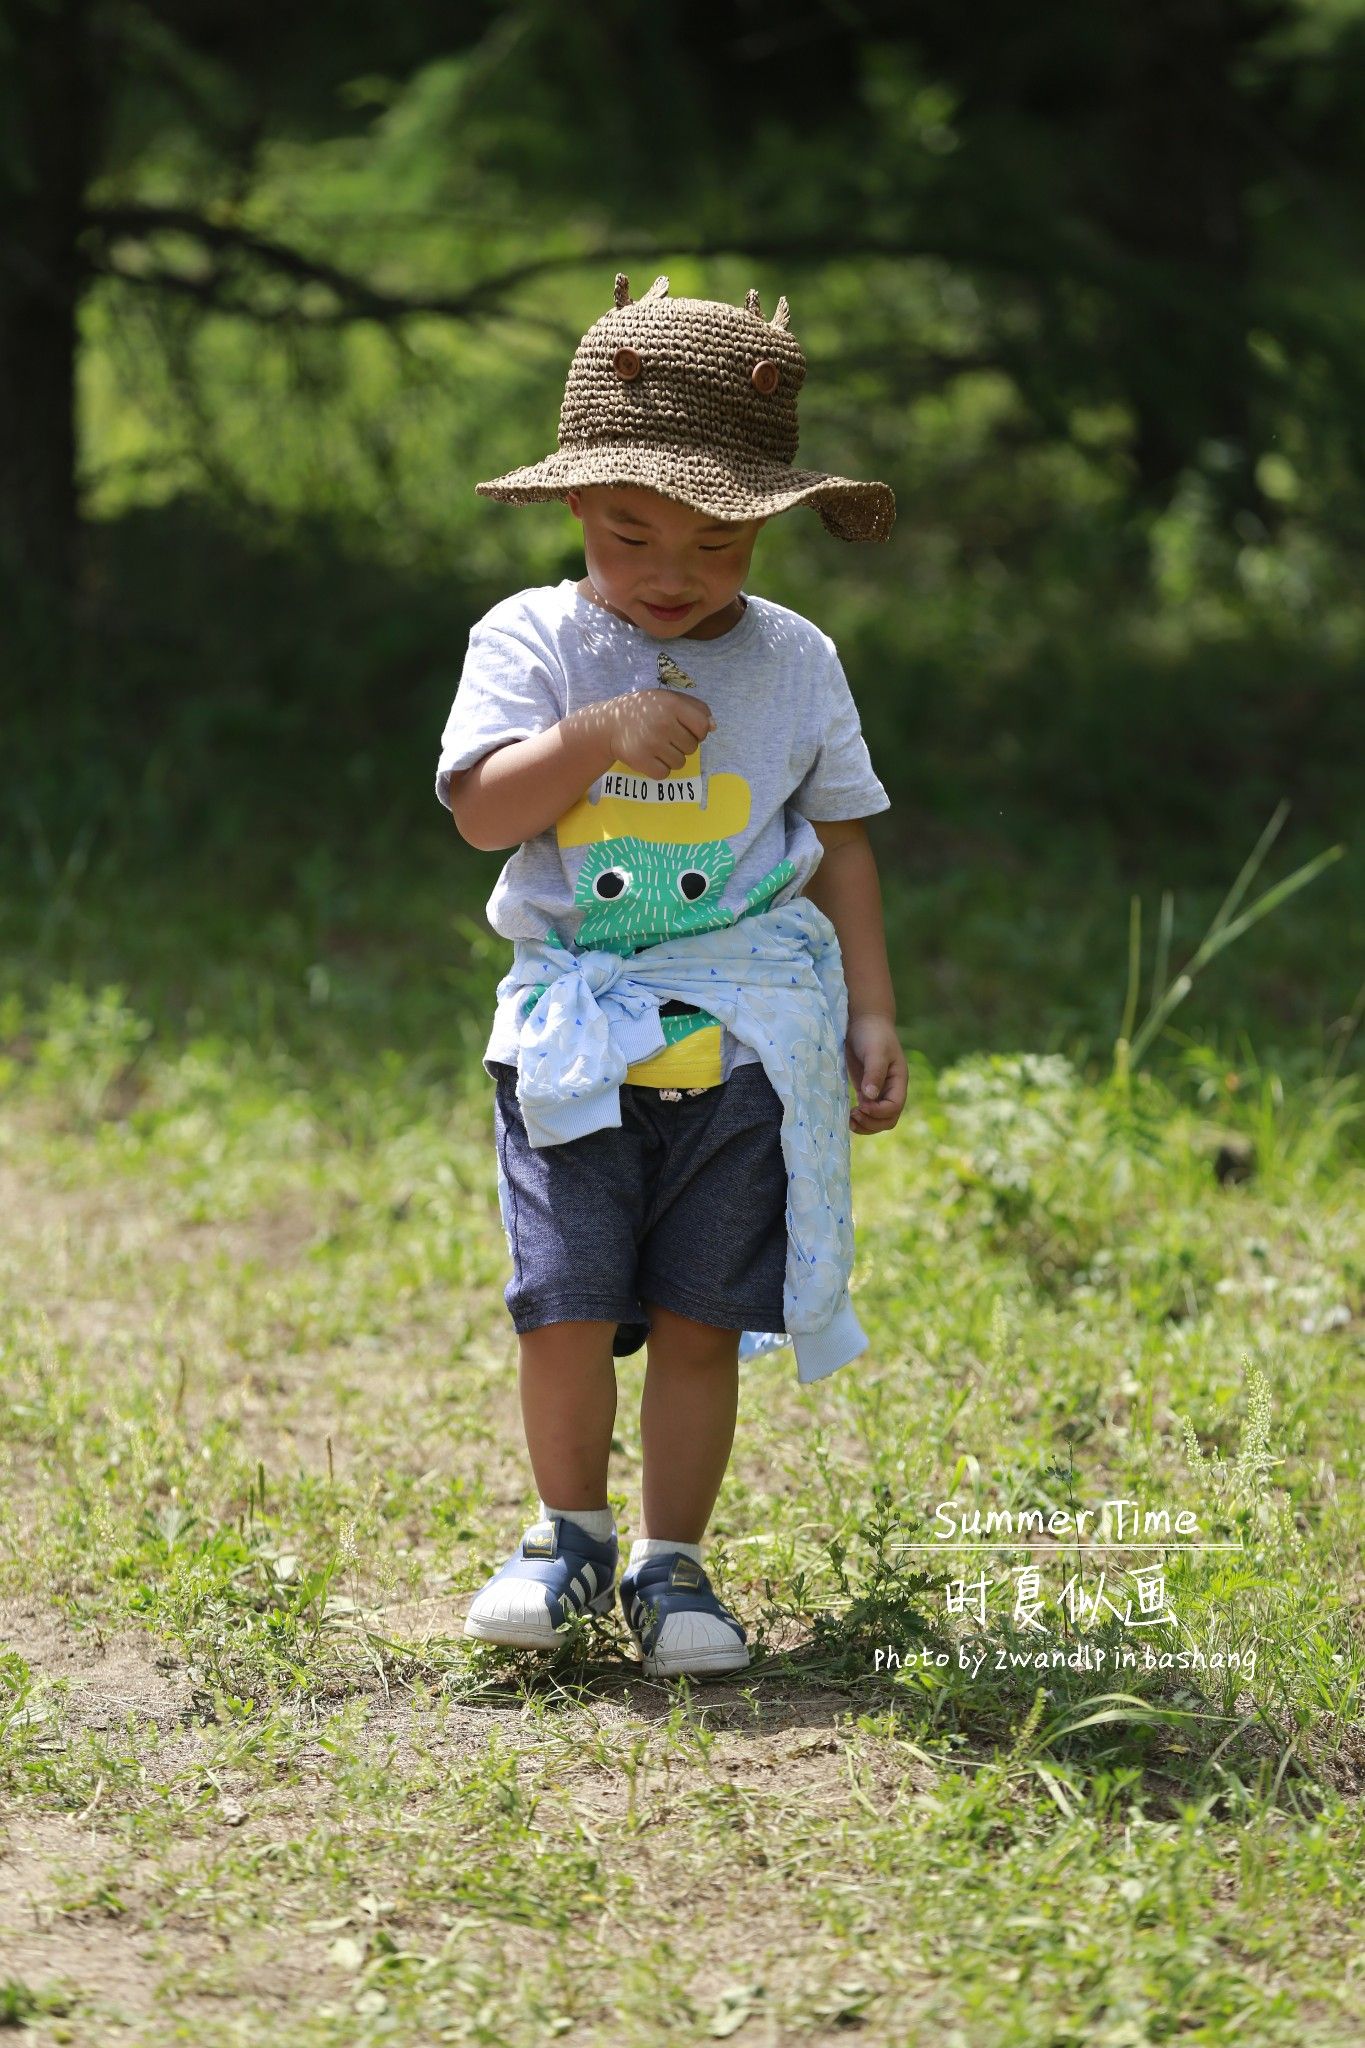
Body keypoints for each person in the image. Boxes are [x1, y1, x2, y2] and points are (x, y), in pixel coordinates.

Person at [435, 272, 908, 1679]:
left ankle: (672, 1561)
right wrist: (590, 739)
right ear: (573, 506)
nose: (671, 570)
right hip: (573, 1031)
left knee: (706, 1314)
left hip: (744, 1028)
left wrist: (871, 1007)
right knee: (566, 1300)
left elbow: (841, 849)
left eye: (717, 540)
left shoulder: (795, 662)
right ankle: (564, 1533)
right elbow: (481, 814)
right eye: (631, 530)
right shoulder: (530, 639)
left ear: (770, 525)